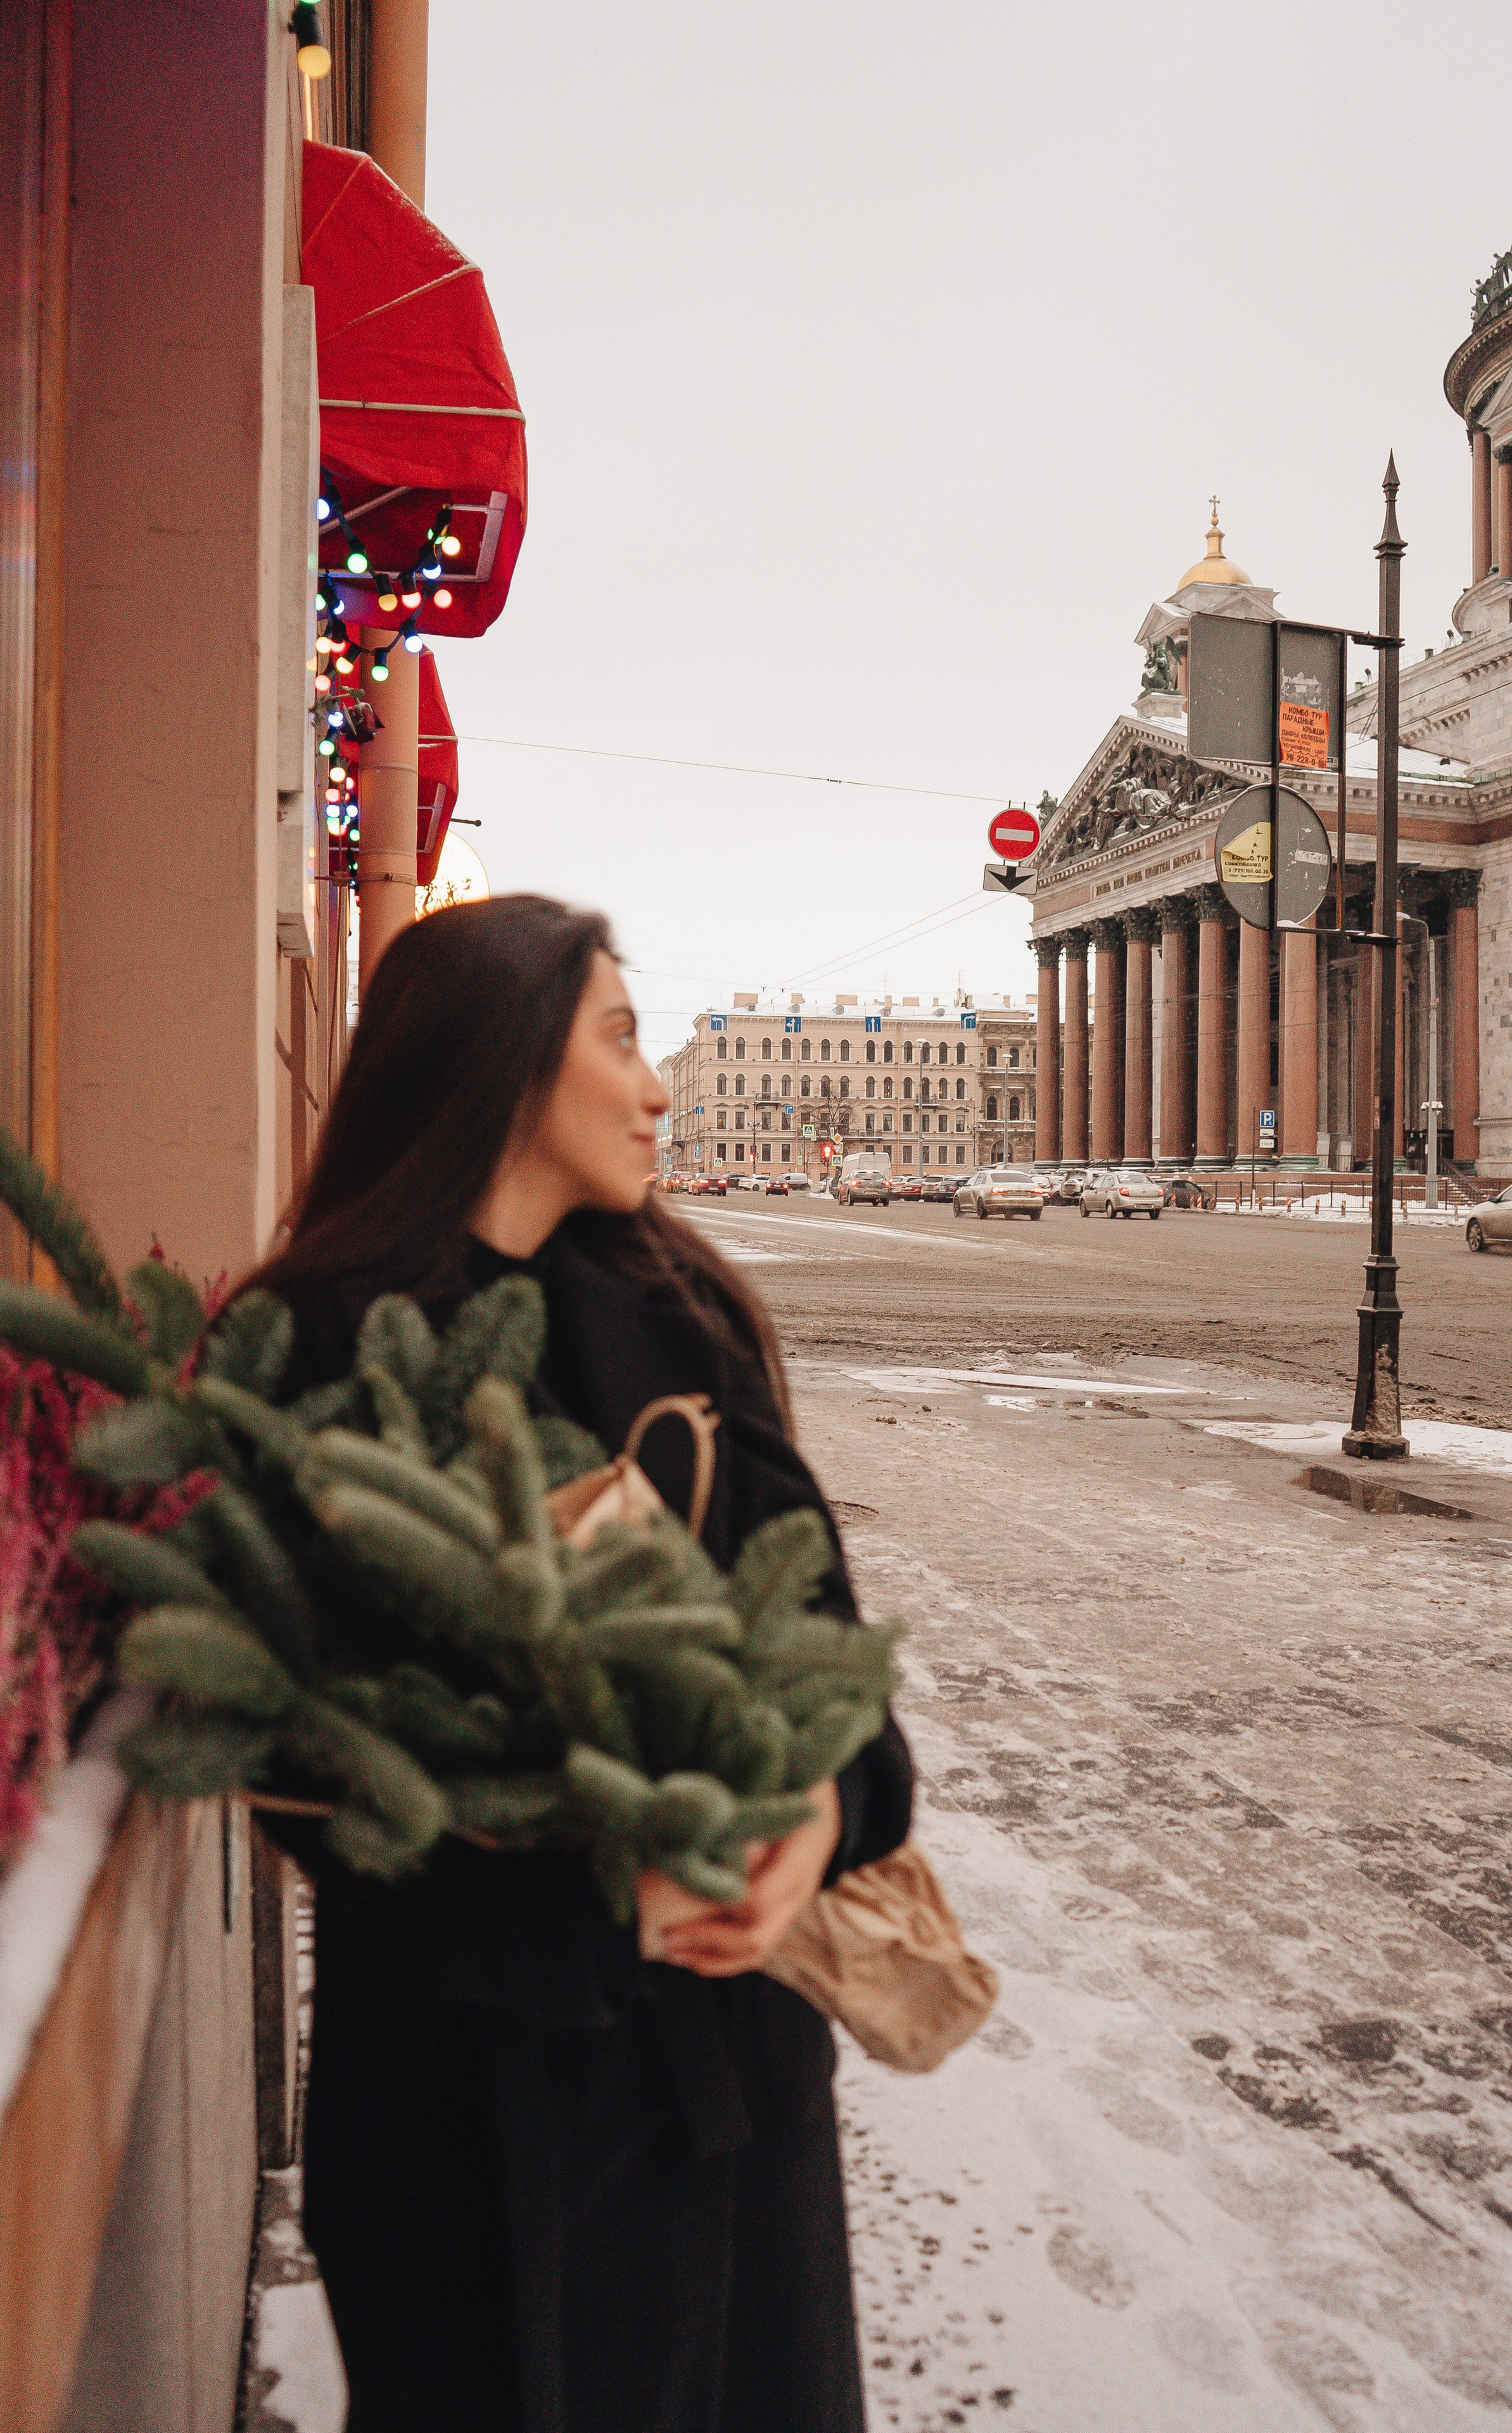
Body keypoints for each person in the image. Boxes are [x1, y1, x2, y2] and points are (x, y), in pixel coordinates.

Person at [246, 895, 913, 2433]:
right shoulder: (312, 1345)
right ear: (501, 1061)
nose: (657, 1088)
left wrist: (820, 1817)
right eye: (620, 1039)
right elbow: (298, 1758)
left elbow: (830, 1654)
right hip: (461, 2116)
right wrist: (592, 1910)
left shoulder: (678, 1313)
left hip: (728, 2094)